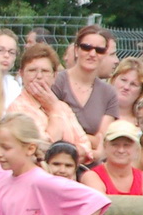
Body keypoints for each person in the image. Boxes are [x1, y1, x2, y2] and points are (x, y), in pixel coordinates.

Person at [7, 42, 91, 161]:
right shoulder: (16, 108)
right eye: (32, 70)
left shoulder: (63, 106)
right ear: (21, 74)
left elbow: (86, 147)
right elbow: (44, 148)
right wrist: (54, 110)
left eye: (45, 71)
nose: (39, 76)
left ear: (54, 76)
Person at [48, 25, 119, 155]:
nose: (92, 54)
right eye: (86, 47)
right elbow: (50, 127)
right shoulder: (57, 82)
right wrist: (88, 140)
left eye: (99, 50)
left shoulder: (109, 93)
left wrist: (71, 135)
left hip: (90, 162)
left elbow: (103, 140)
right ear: (76, 50)